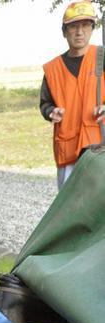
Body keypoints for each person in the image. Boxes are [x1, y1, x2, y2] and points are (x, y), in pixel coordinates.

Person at [40, 1, 105, 189]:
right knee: (71, 210)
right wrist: (51, 112)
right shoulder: (53, 69)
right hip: (68, 151)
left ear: (92, 29)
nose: (80, 32)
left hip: (99, 147)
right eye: (74, 26)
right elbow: (45, 103)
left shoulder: (102, 57)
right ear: (64, 32)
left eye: (85, 25)